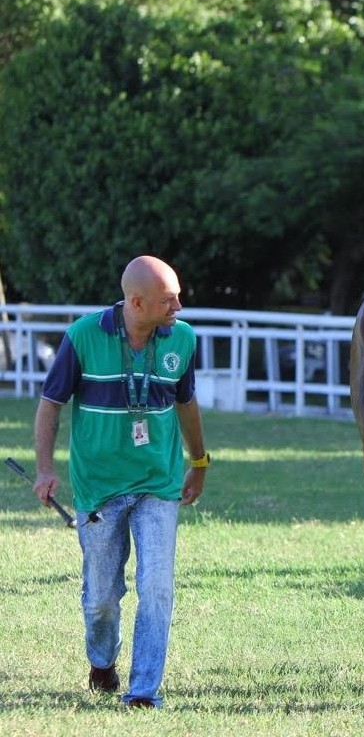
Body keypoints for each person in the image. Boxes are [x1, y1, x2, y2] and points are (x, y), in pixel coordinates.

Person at [33, 255, 210, 709]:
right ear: (136, 301)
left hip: (159, 482)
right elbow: (50, 403)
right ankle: (102, 662)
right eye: (169, 300)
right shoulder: (83, 337)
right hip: (99, 488)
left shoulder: (182, 339)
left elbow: (186, 403)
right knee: (101, 599)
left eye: (178, 297)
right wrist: (45, 469)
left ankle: (144, 691)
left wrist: (200, 461)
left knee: (157, 585)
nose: (179, 308)